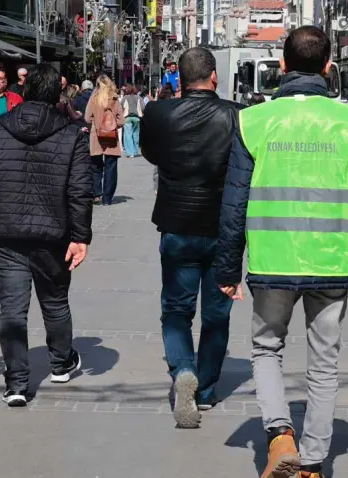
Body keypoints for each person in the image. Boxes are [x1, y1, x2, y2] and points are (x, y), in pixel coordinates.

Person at [214, 27, 348, 478]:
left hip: (272, 260)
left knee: (266, 349)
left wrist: (227, 268)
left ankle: (280, 436)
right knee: (324, 364)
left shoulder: (254, 120)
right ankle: (311, 463)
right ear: (328, 67)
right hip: (332, 261)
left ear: (283, 65)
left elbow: (234, 200)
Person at [0, 64, 93, 408]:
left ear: (26, 90)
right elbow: (79, 191)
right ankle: (61, 363)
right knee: (55, 302)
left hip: (6, 234)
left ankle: (16, 383)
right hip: (53, 235)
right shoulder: (72, 134)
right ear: (57, 94)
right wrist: (80, 237)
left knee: (13, 310)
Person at [140, 47, 244, 429]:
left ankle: (184, 369)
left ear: (180, 78)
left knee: (176, 310)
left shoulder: (158, 113)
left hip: (177, 225)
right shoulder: (235, 116)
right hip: (222, 229)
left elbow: (151, 154)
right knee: (217, 314)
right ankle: (206, 389)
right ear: (213, 76)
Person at [84, 75, 124, 205]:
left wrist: (97, 123)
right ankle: (107, 199)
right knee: (110, 168)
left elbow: (87, 118)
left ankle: (97, 195)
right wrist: (111, 125)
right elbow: (121, 121)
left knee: (96, 167)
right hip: (111, 138)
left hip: (96, 137)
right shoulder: (114, 99)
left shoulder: (93, 99)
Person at [121, 84, 143, 158]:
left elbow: (121, 106)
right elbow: (143, 107)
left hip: (127, 118)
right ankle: (135, 151)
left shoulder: (125, 98)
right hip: (137, 118)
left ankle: (130, 153)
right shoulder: (139, 98)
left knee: (128, 135)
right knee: (136, 135)